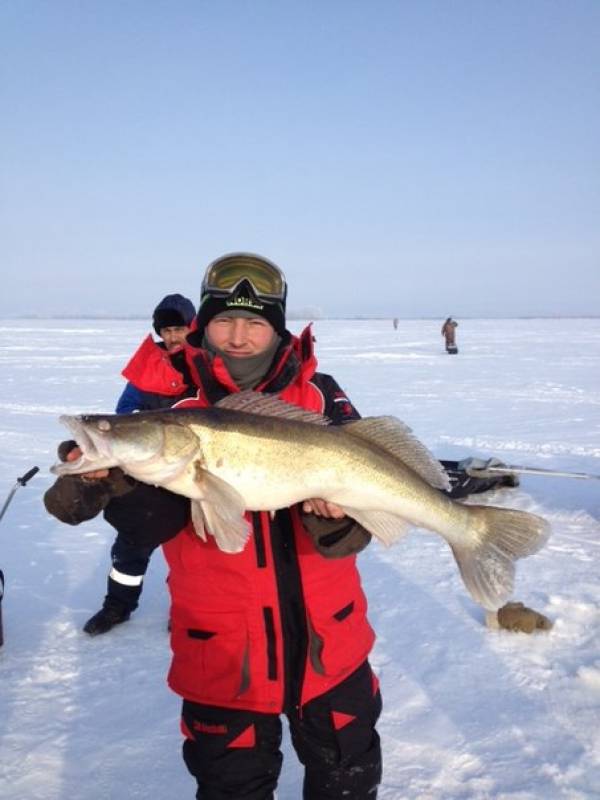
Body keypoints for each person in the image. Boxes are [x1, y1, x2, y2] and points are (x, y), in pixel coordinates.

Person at [44, 256, 550, 797]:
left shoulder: (323, 396)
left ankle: (468, 530)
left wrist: (339, 523)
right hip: (223, 658)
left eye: (255, 323)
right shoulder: (171, 406)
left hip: (332, 650)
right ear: (201, 327)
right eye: (223, 322)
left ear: (277, 329)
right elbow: (148, 526)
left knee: (347, 779)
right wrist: (103, 479)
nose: (238, 337)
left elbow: (357, 522)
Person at [84, 293, 196, 635]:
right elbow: (125, 414)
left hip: (192, 468)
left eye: (179, 329)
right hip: (150, 467)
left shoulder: (205, 365)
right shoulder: (146, 370)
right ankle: (117, 606)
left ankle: (189, 611)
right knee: (132, 542)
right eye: (167, 330)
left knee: (193, 549)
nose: (173, 337)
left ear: (193, 328)